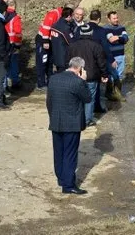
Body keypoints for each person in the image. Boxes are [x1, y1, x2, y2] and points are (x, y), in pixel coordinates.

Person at [46, 57, 91, 195]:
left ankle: (61, 178)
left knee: (58, 152)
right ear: (80, 68)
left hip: (56, 121)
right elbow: (88, 98)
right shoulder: (78, 82)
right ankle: (68, 185)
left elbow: (49, 101)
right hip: (72, 124)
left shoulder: (53, 79)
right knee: (70, 154)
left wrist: (53, 116)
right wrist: (83, 80)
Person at [67, 25, 108, 126]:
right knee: (89, 99)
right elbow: (101, 62)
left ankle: (76, 118)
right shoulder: (96, 46)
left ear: (80, 34)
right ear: (91, 33)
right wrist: (104, 74)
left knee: (76, 98)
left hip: (75, 76)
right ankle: (87, 120)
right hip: (91, 76)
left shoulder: (72, 46)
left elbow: (66, 62)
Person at [36, 3, 73, 90]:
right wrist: (45, 41)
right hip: (43, 39)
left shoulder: (61, 16)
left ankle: (50, 81)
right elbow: (46, 27)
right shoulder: (53, 14)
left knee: (50, 62)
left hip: (52, 40)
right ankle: (41, 83)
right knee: (42, 62)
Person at [86, 10, 117, 108]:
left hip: (83, 57)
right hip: (96, 59)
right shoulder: (101, 30)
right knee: (96, 82)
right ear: (99, 19)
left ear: (89, 17)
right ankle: (97, 106)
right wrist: (111, 60)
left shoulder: (81, 28)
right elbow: (105, 47)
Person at [104, 11, 129, 97]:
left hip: (121, 55)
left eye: (117, 18)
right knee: (111, 76)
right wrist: (120, 37)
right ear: (108, 19)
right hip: (112, 57)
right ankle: (110, 93)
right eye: (114, 18)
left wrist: (118, 37)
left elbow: (126, 39)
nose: (116, 20)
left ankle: (118, 93)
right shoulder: (105, 28)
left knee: (120, 76)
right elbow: (111, 40)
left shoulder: (122, 27)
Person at [4, 0, 23, 93]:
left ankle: (6, 83)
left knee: (5, 64)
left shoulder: (2, 15)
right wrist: (18, 45)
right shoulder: (15, 17)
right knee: (14, 63)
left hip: (3, 44)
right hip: (13, 44)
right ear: (14, 5)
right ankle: (15, 82)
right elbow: (18, 33)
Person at [50, 7, 74, 73]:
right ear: (69, 16)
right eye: (72, 15)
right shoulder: (65, 28)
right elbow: (71, 42)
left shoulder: (54, 25)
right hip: (64, 57)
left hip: (56, 55)